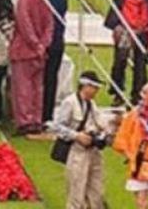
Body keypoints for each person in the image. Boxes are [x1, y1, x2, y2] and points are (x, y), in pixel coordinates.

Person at [52, 71, 108, 209]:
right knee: (76, 191)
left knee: (96, 191)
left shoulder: (92, 104)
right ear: (85, 86)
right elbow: (57, 126)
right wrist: (77, 136)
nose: (97, 91)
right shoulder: (69, 102)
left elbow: (100, 123)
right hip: (76, 151)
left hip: (93, 152)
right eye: (94, 87)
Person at [8, 0, 54, 134]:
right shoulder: (44, 0)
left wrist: (35, 44)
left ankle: (25, 121)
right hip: (40, 52)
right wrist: (43, 45)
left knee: (23, 88)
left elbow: (25, 25)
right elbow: (50, 26)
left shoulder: (24, 1)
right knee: (37, 87)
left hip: (24, 50)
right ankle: (36, 119)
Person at [39, 0, 68, 122]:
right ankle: (47, 115)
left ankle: (39, 112)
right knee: (51, 78)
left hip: (45, 41)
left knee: (39, 79)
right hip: (58, 41)